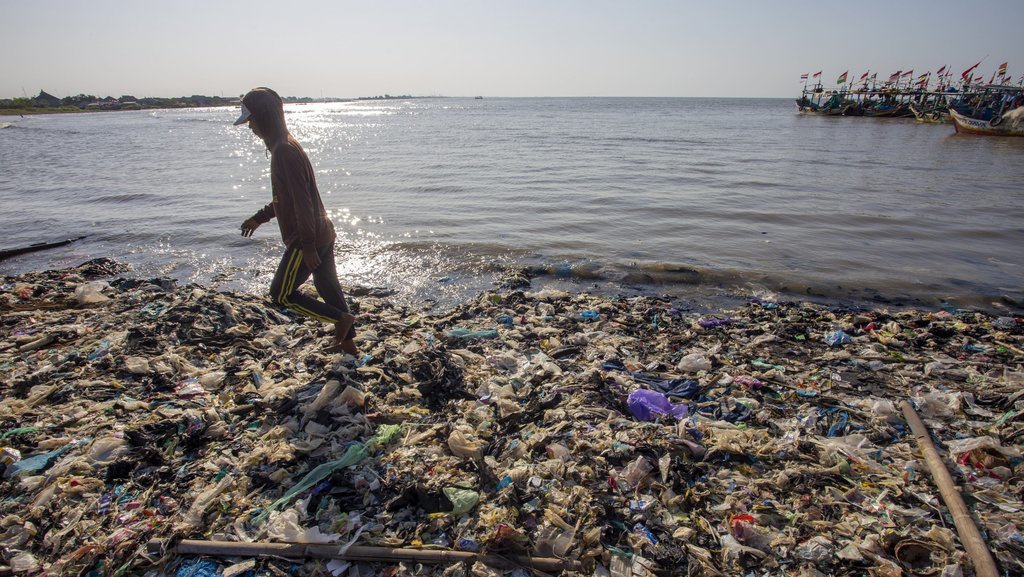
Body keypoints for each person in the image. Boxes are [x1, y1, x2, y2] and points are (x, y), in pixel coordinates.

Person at [233, 87, 357, 354]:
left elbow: (303, 203)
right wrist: (260, 218)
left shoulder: (284, 151)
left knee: (281, 294)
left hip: (307, 237)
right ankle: (349, 346)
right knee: (327, 286)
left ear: (264, 118)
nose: (250, 127)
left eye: (251, 120)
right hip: (321, 230)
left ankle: (341, 320)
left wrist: (308, 245)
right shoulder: (285, 145)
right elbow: (284, 199)